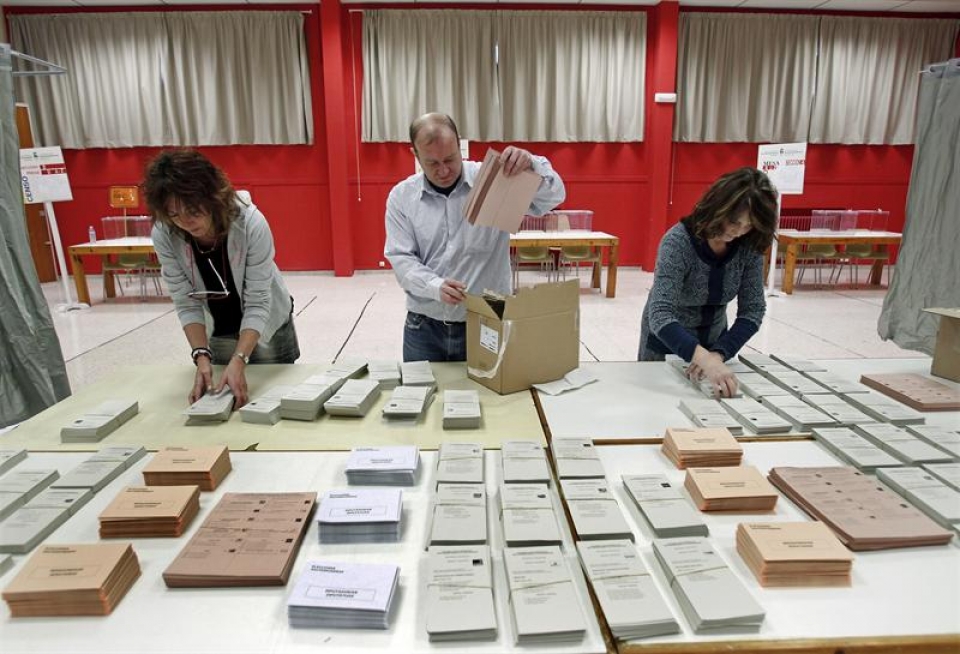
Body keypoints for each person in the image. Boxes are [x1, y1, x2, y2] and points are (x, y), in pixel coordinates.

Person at [384, 112, 566, 362]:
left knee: (491, 400)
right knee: (423, 397)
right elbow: (401, 258)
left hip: (487, 316)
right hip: (425, 325)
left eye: (450, 158)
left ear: (460, 145)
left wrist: (532, 165)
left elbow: (553, 198)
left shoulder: (495, 178)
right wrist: (435, 286)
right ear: (414, 154)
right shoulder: (402, 197)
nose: (444, 170)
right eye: (432, 163)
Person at [144, 149, 299, 408]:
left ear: (213, 195)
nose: (186, 221)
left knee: (275, 400)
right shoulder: (164, 233)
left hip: (269, 326)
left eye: (193, 210)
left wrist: (240, 357)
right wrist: (201, 355)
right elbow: (185, 301)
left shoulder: (250, 223)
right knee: (227, 403)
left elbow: (259, 300)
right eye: (174, 214)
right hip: (217, 328)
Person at [638, 167, 778, 398]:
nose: (739, 231)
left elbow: (752, 310)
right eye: (734, 221)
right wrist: (701, 357)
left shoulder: (748, 246)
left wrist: (717, 355)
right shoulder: (678, 243)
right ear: (716, 207)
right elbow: (661, 313)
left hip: (716, 346)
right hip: (666, 344)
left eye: (748, 225)